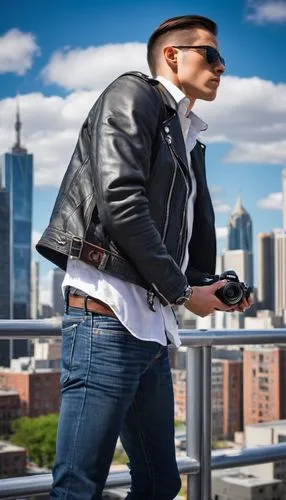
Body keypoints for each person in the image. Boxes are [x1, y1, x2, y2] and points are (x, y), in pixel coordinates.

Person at [37, 14, 251, 500]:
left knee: (160, 482)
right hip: (105, 320)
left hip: (149, 330)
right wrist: (181, 292)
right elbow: (121, 202)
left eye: (223, 59)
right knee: (78, 487)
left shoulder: (188, 135)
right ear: (172, 56)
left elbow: (180, 232)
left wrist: (210, 285)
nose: (221, 67)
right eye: (210, 55)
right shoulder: (133, 94)